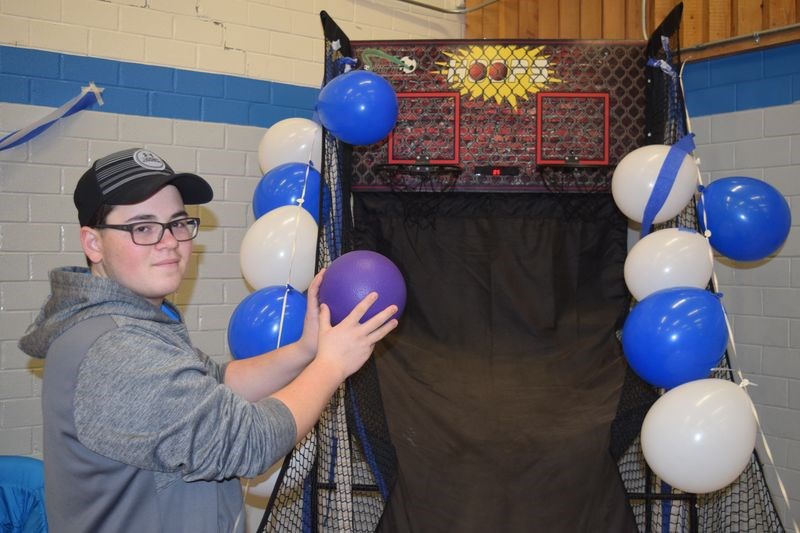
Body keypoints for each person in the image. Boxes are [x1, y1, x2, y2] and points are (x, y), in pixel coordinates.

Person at [18, 148, 399, 532]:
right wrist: (330, 366)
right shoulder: (115, 348)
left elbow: (215, 382)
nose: (170, 242)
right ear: (93, 243)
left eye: (178, 223)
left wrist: (306, 349)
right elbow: (250, 443)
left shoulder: (134, 320)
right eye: (143, 227)